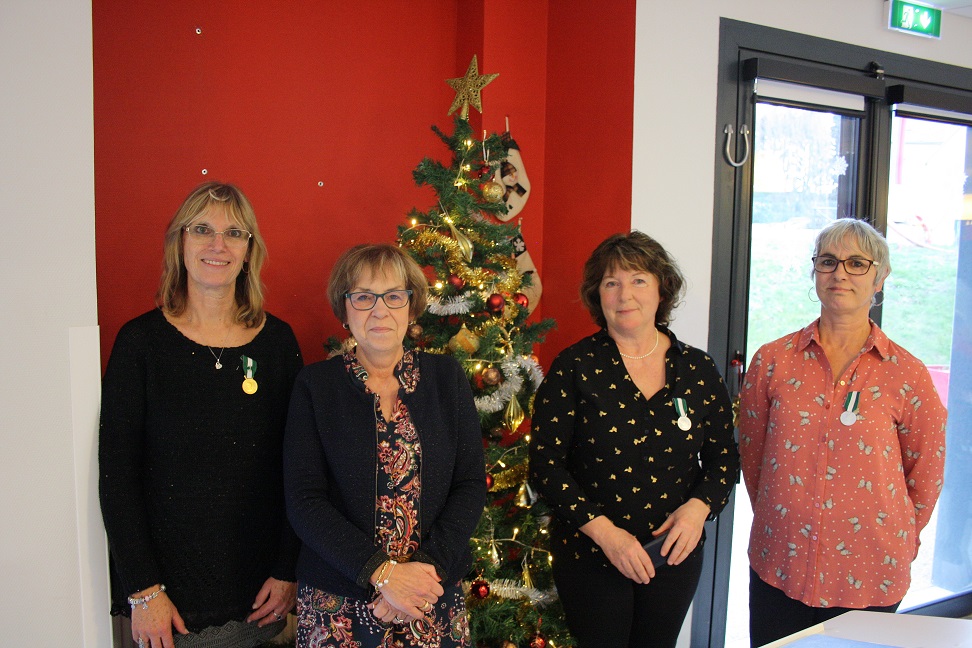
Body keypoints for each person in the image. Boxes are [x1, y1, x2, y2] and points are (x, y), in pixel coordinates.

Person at [99, 182, 303, 648]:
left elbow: (299, 468)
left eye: (234, 233)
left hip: (263, 596)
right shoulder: (140, 344)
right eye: (202, 230)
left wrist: (287, 570)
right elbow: (117, 478)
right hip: (170, 605)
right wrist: (144, 590)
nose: (218, 245)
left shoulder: (278, 344)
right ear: (180, 242)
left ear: (249, 250)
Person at [739, 218, 948, 647]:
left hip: (870, 568)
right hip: (781, 561)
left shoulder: (907, 375)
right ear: (815, 271)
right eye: (828, 261)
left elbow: (926, 474)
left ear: (879, 277)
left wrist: (901, 539)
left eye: (857, 263)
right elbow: (753, 457)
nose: (840, 273)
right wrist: (785, 514)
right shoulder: (772, 360)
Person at [529, 230, 740, 647]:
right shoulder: (574, 367)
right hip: (591, 553)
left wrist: (697, 510)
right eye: (612, 283)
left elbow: (724, 459)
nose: (625, 294)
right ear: (598, 295)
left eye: (639, 280)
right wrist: (607, 535)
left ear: (662, 289)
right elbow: (545, 467)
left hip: (673, 552)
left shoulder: (698, 369)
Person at [283, 243, 486, 647]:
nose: (380, 310)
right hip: (338, 605)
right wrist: (384, 575)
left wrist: (422, 575)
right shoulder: (315, 386)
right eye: (363, 297)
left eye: (394, 296)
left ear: (412, 307)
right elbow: (304, 501)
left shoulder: (447, 379)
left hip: (430, 597)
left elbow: (469, 485)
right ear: (344, 310)